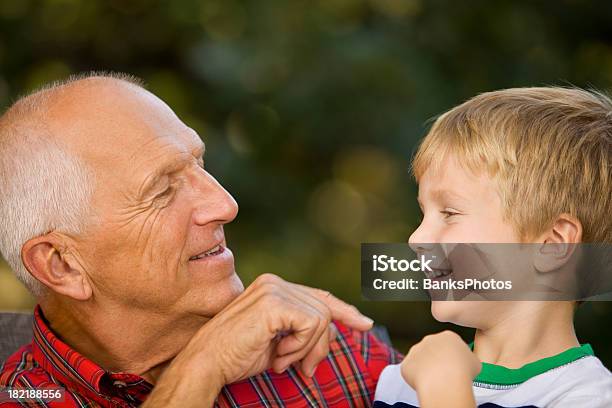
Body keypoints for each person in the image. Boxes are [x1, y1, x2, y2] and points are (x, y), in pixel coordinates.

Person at [0, 73, 401, 407]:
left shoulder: (317, 343)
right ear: (62, 264)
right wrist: (201, 367)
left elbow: (458, 346)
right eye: (161, 191)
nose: (225, 204)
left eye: (199, 165)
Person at [373, 87, 612, 407]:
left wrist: (443, 388)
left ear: (552, 244)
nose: (417, 239)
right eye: (424, 212)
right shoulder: (398, 384)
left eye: (450, 213)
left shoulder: (587, 398)